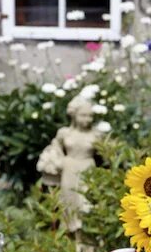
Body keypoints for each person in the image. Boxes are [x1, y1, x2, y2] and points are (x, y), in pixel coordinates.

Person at [36, 94, 102, 233]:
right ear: (74, 115)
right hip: (69, 170)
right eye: (83, 115)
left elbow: (105, 154)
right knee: (69, 205)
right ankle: (71, 240)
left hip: (88, 170)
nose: (87, 119)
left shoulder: (96, 134)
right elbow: (55, 146)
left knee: (87, 205)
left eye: (90, 115)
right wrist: (57, 160)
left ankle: (89, 239)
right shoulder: (64, 133)